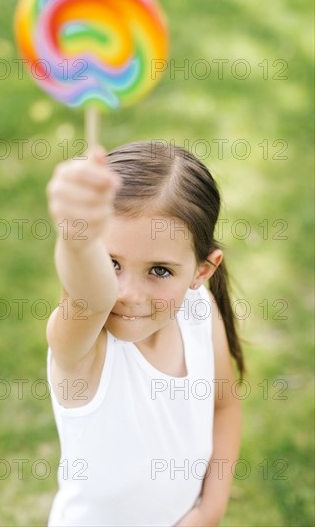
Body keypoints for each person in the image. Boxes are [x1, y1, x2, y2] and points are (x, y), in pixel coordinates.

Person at [45, 141, 245, 527]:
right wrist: (76, 237)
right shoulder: (84, 350)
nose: (129, 295)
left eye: (160, 270)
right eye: (110, 263)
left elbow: (225, 405)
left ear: (202, 271)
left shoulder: (199, 309)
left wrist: (209, 510)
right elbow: (90, 295)